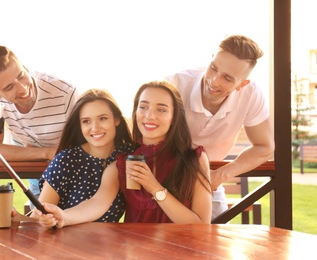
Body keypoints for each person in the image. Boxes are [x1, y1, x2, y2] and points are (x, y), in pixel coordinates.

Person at [36, 80, 212, 228]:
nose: (149, 116)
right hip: (136, 252)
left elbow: (202, 226)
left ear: (174, 116)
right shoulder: (125, 161)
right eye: (143, 107)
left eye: (161, 109)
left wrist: (154, 188)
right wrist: (64, 217)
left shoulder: (194, 158)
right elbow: (98, 203)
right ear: (135, 112)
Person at [0, 88, 134, 226]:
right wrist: (13, 218)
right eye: (86, 121)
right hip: (64, 247)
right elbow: (38, 219)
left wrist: (62, 216)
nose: (95, 128)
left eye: (103, 118)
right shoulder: (66, 160)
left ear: (117, 119)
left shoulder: (126, 156)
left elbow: (99, 201)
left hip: (108, 248)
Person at [165, 35, 275, 219]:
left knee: (218, 240)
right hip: (164, 177)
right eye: (213, 68)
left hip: (208, 180)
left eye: (227, 78)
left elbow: (264, 148)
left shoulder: (251, 95)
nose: (214, 81)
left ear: (242, 84)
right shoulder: (174, 85)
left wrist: (219, 176)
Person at [0, 45, 78, 203]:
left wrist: (52, 156)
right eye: (9, 87)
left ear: (26, 67)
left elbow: (86, 147)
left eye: (21, 76)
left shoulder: (66, 93)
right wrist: (47, 153)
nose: (23, 89)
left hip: (73, 172)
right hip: (35, 173)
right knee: (39, 223)